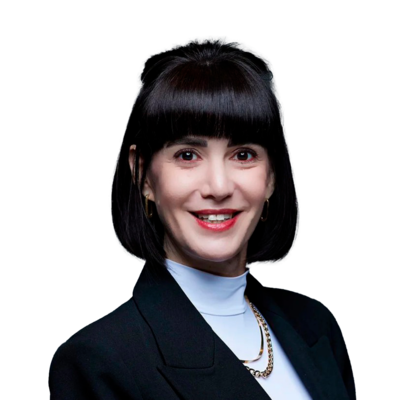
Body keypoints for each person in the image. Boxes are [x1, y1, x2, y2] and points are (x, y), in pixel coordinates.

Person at [47, 34, 357, 399]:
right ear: (143, 176)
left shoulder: (316, 325)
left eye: (243, 154)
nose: (219, 186)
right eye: (187, 155)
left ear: (271, 176)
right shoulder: (98, 362)